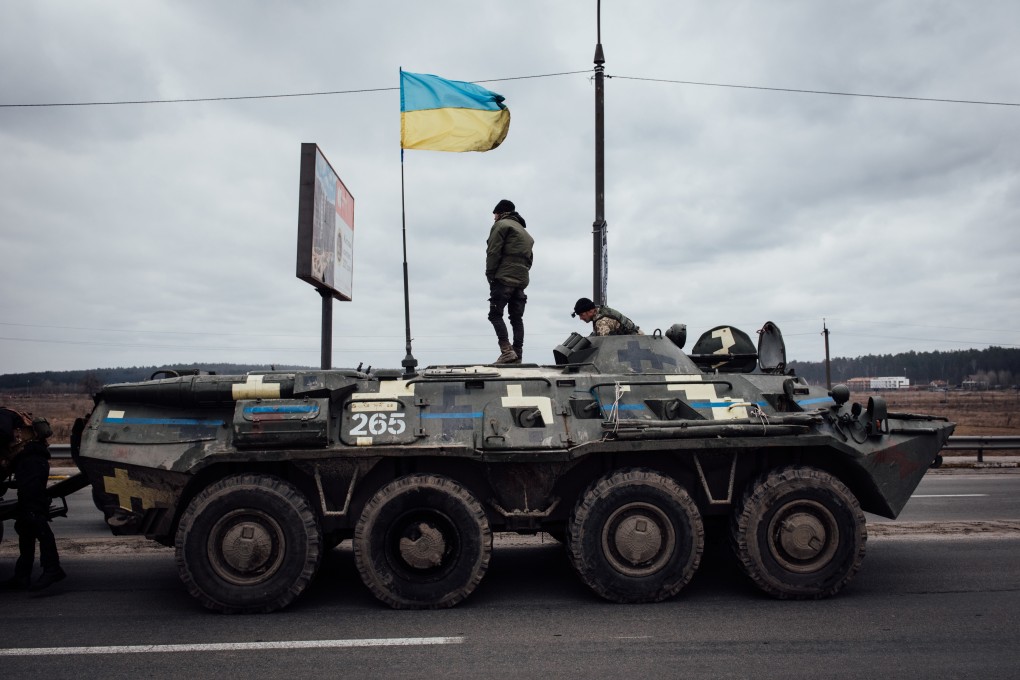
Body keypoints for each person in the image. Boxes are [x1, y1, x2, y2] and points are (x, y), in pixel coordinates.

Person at [0, 408, 65, 592]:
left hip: (32, 464)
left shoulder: (2, 415)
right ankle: (22, 575)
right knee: (24, 522)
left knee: (34, 515)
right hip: (27, 464)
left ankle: (53, 568)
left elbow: (3, 434)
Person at [486, 199, 534, 364]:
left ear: (500, 213)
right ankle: (517, 353)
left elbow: (493, 251)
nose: (494, 218)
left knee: (495, 314)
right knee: (516, 318)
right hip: (521, 280)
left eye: (495, 214)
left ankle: (507, 351)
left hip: (504, 278)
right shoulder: (526, 233)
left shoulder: (501, 225)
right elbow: (530, 260)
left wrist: (490, 275)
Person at [572, 297, 643, 336]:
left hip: (635, 340)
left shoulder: (601, 322)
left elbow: (604, 346)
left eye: (582, 315)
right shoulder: (600, 313)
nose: (581, 318)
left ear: (590, 311)